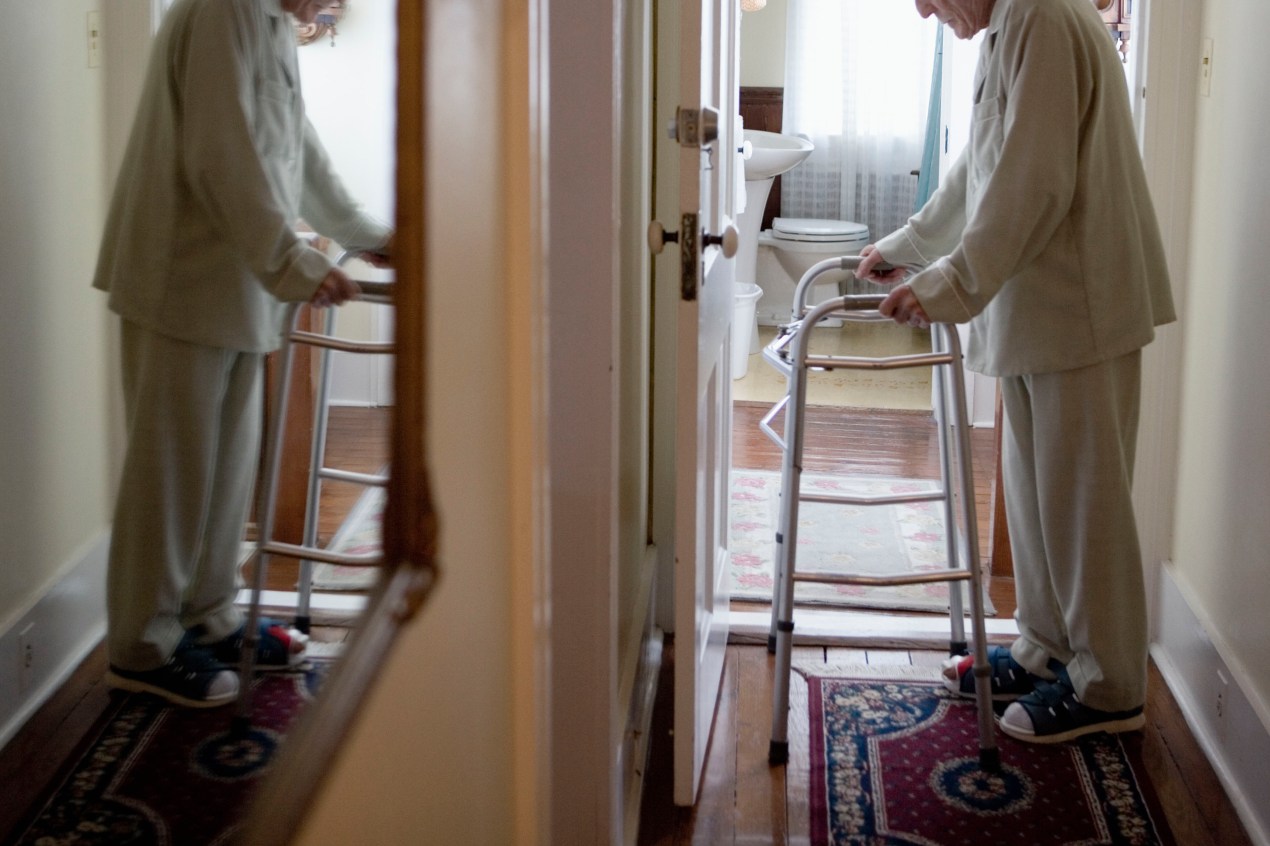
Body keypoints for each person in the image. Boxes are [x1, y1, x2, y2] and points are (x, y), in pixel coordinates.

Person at [856, 0, 1176, 743]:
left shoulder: (1046, 18)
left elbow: (1034, 184)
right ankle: (1046, 650)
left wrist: (947, 285)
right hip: (1041, 307)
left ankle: (1110, 687)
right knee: (1037, 503)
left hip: (1082, 305)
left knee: (1083, 508)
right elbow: (982, 169)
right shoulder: (1010, 28)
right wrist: (911, 242)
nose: (921, 8)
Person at [93, 0, 392, 708]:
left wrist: (363, 230)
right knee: (171, 479)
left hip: (234, 284)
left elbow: (294, 142)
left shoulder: (267, 21)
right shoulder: (220, 11)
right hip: (180, 278)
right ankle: (142, 650)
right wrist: (296, 262)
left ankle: (210, 617)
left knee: (225, 473)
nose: (328, 8)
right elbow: (222, 154)